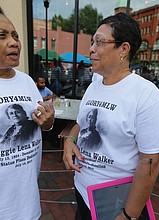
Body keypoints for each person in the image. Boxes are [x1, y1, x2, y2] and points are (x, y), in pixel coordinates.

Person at [63, 12, 159, 220]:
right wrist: (70, 138)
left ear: (123, 49)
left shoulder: (145, 94)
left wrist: (130, 214)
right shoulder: (95, 84)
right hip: (83, 191)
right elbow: (81, 123)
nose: (91, 49)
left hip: (114, 201)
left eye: (99, 42)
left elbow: (150, 161)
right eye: (92, 42)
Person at [0, 7, 54, 220]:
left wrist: (49, 122)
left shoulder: (26, 81)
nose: (14, 42)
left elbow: (45, 125)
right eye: (2, 36)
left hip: (28, 201)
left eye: (15, 36)